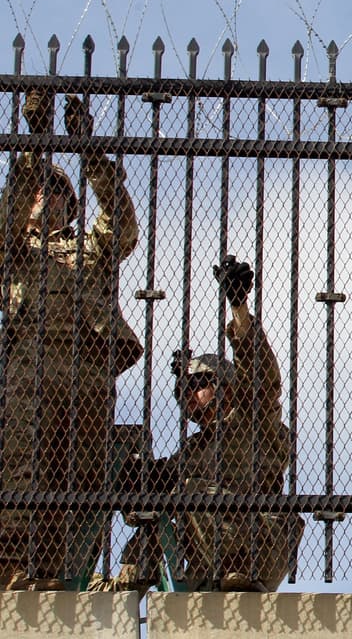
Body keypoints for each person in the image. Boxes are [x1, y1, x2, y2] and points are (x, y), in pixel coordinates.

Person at [0, 91, 142, 590]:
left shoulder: (91, 246)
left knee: (73, 475)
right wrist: (35, 146)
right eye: (39, 189)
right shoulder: (15, 246)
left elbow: (123, 224)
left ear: (70, 203)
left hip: (87, 366)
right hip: (30, 364)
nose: (45, 194)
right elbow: (7, 216)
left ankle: (49, 571)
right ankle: (13, 565)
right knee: (22, 467)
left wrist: (88, 150)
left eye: (56, 189)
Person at [107, 256, 302, 592]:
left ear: (224, 383)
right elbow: (153, 479)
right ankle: (119, 593)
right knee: (157, 517)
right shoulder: (194, 450)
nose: (191, 395)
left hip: (259, 548)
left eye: (199, 384)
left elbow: (261, 376)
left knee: (188, 490)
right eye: (185, 389)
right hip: (211, 565)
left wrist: (239, 309)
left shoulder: (252, 420)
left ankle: (239, 574)